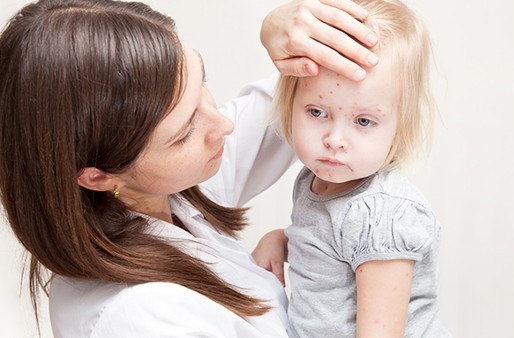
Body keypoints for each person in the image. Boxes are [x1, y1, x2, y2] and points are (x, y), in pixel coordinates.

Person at [0, 0, 380, 336]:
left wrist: (292, 28)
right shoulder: (142, 318)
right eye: (183, 134)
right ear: (99, 176)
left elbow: (314, 92)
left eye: (203, 85)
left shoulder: (163, 191)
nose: (223, 125)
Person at [252, 0, 451, 337]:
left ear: (399, 126)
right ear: (291, 103)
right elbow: (330, 248)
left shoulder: (382, 216)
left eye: (363, 121)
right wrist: (282, 241)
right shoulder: (316, 179)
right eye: (316, 112)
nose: (334, 139)